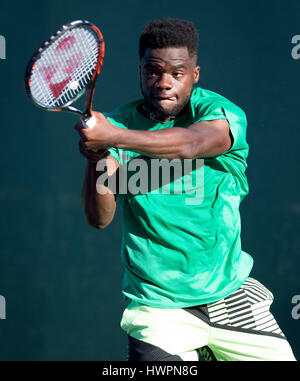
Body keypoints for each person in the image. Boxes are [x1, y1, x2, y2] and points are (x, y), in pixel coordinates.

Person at [75, 18, 296, 361]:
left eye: (177, 73)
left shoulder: (219, 113)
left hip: (230, 297)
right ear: (140, 71)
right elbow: (99, 218)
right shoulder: (118, 124)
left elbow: (193, 144)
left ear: (194, 74)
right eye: (153, 71)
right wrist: (97, 158)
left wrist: (114, 137)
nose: (164, 83)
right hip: (159, 307)